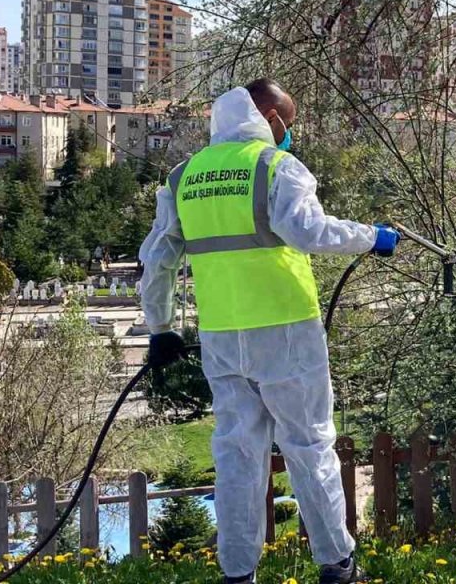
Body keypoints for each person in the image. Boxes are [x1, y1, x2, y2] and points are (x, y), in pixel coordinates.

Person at [139, 79, 398, 584]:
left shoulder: (183, 176)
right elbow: (308, 231)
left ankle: (238, 575)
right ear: (270, 117)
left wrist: (160, 328)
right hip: (286, 334)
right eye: (288, 122)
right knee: (309, 447)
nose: (289, 133)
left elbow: (157, 260)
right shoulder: (275, 166)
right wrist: (372, 237)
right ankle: (337, 566)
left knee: (236, 457)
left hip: (222, 338)